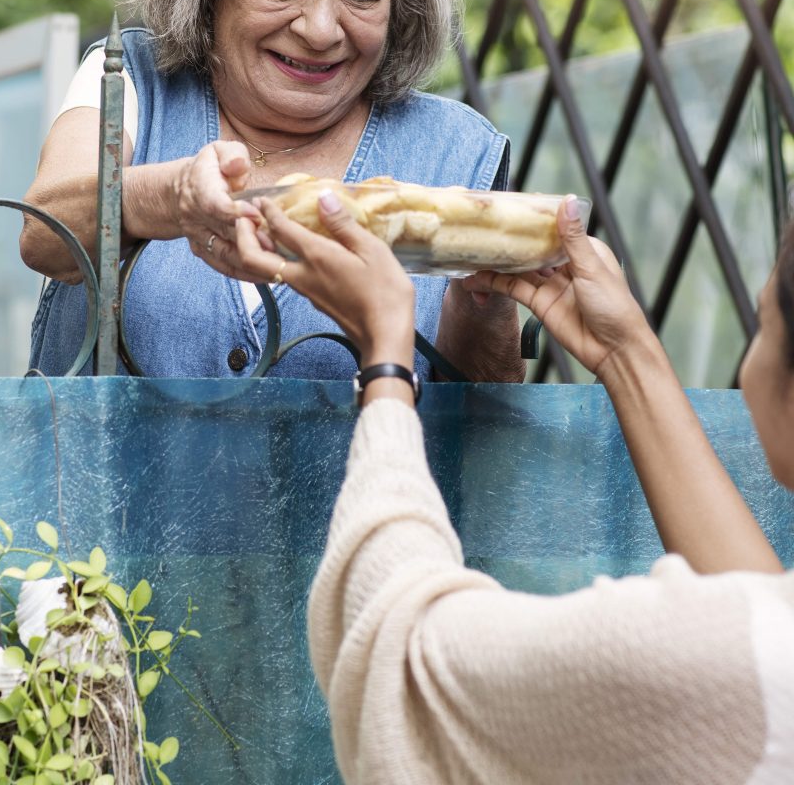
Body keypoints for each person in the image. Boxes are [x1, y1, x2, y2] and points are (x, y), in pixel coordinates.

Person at [233, 192, 794, 784]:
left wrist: (386, 360)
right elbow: (755, 606)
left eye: (766, 324)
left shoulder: (690, 657)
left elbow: (407, 662)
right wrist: (625, 353)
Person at [19, 0, 524, 383]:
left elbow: (486, 429)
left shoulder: (455, 150)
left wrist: (485, 308)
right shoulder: (132, 78)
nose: (320, 29)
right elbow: (44, 233)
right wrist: (175, 196)